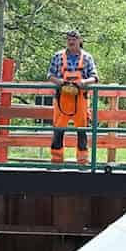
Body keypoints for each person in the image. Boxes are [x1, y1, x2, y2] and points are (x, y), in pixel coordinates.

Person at [47, 30, 98, 165]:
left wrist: (84, 82)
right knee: (58, 129)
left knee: (82, 130)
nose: (71, 42)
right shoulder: (58, 56)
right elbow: (50, 75)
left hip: (80, 99)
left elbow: (94, 77)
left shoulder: (87, 57)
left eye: (74, 39)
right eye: (69, 39)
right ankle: (56, 160)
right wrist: (60, 82)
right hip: (61, 99)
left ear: (79, 41)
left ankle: (82, 161)